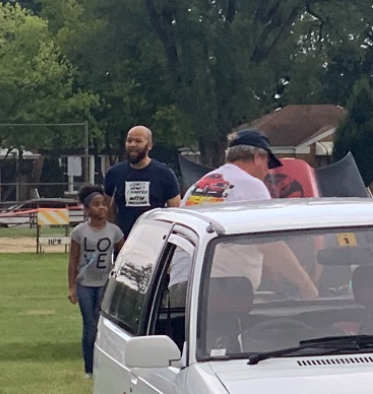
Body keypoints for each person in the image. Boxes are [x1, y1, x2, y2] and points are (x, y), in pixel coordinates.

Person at [185, 130, 318, 298]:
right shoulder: (250, 185)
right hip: (218, 289)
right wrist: (306, 286)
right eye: (267, 164)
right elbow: (270, 246)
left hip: (185, 282)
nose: (267, 172)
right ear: (257, 157)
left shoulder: (201, 184)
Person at [66, 185, 123, 374]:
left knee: (103, 325)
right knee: (89, 325)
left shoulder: (114, 231)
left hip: (105, 284)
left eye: (104, 204)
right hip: (85, 284)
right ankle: (89, 368)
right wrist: (72, 287)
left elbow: (123, 255)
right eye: (96, 204)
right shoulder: (79, 232)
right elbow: (73, 260)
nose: (101, 208)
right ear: (87, 209)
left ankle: (104, 365)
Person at [101, 124, 182, 234]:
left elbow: (175, 211)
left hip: (155, 237)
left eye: (138, 141)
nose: (132, 145)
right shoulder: (114, 173)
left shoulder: (165, 174)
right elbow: (109, 211)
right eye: (129, 140)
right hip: (124, 239)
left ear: (149, 145)